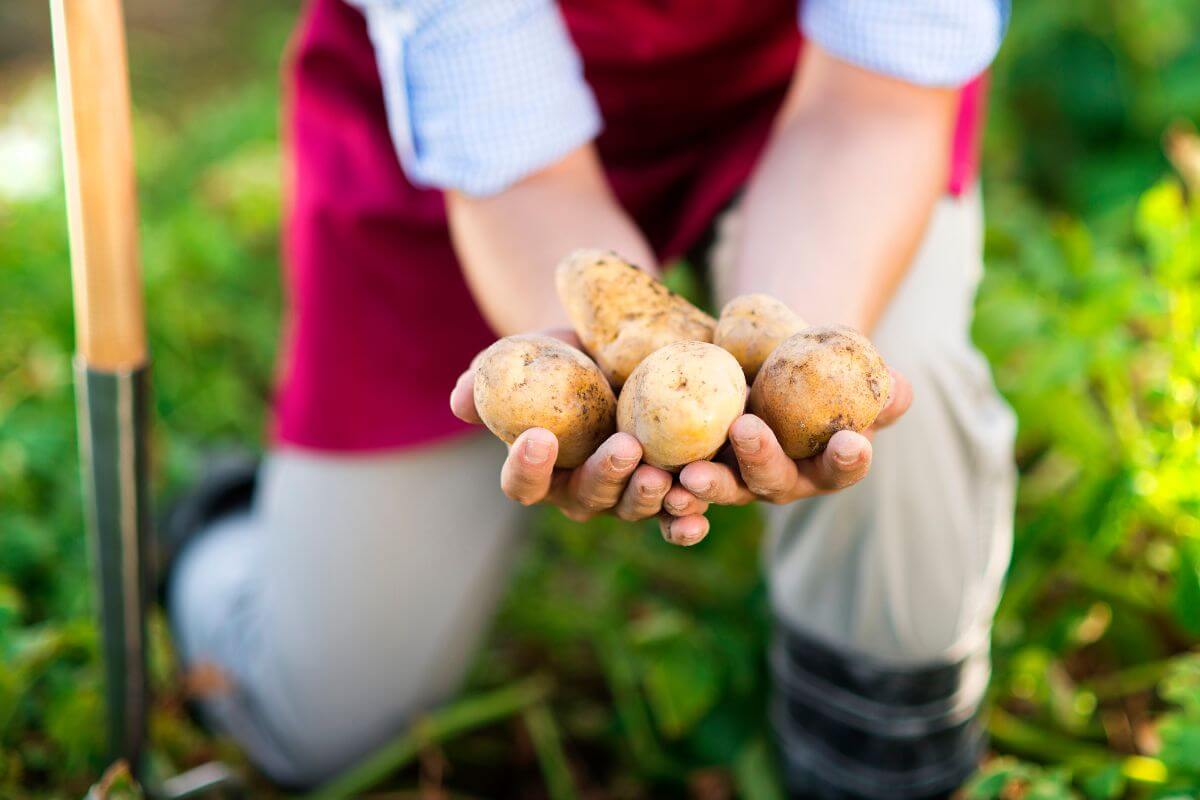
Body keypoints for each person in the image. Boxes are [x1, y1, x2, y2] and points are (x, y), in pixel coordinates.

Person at [163, 1, 1017, 797]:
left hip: (801, 97)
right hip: (470, 146)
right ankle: (220, 529)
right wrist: (594, 396)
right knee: (323, 716)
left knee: (902, 392)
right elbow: (526, 179)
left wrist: (781, 379)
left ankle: (873, 755)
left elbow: (870, 114)